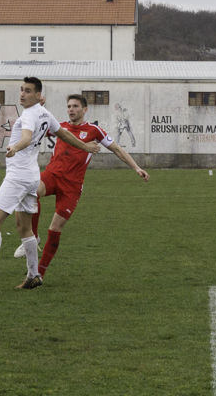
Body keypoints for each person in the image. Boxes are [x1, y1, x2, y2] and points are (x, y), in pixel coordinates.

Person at [0, 77, 101, 293]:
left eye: (27, 91)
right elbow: (64, 134)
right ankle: (34, 275)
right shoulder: (45, 113)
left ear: (38, 95)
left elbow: (27, 138)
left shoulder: (29, 115)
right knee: (24, 228)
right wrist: (85, 146)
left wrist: (14, 148)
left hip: (18, 178)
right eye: (21, 90)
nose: (22, 94)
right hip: (32, 176)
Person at [15, 94, 149, 278]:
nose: (71, 109)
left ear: (84, 110)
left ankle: (39, 273)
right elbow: (33, 127)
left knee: (55, 229)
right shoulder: (59, 126)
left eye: (75, 106)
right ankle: (34, 236)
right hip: (52, 175)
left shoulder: (94, 130)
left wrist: (136, 167)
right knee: (31, 192)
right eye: (69, 106)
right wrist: (37, 108)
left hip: (72, 186)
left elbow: (117, 149)